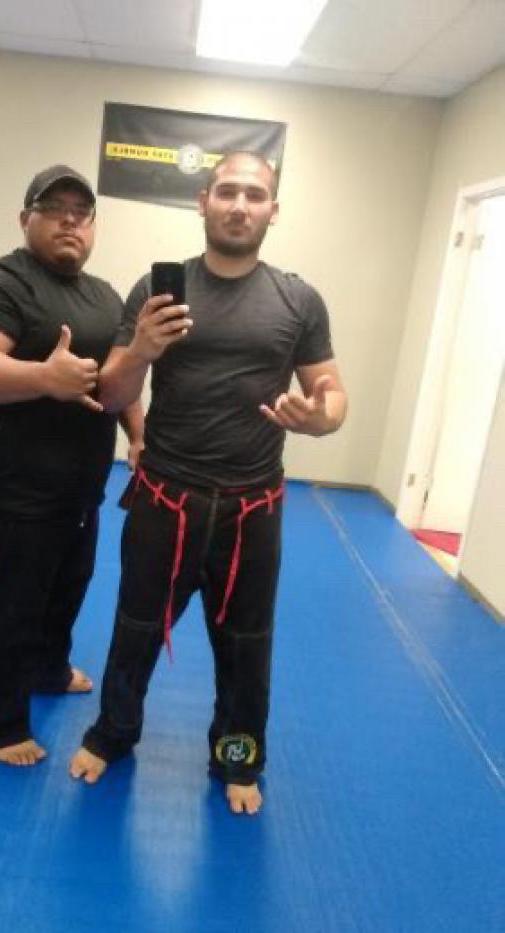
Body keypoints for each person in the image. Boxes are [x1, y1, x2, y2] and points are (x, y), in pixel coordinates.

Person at [70, 151, 347, 814]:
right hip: (166, 498)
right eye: (226, 191)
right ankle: (113, 734)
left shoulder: (299, 300)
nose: (239, 205)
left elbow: (333, 396)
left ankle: (238, 759)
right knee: (136, 627)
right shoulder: (156, 288)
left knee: (247, 646)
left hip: (254, 508)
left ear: (273, 210)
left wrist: (319, 418)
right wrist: (142, 349)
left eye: (254, 194)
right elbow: (111, 396)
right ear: (203, 202)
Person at [0, 165, 143, 766]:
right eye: (54, 210)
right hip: (14, 488)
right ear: (25, 218)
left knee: (67, 587)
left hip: (80, 487)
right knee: (14, 603)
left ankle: (48, 669)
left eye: (81, 213)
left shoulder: (103, 295)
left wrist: (139, 435)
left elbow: (120, 378)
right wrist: (43, 377)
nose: (69, 222)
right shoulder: (2, 281)